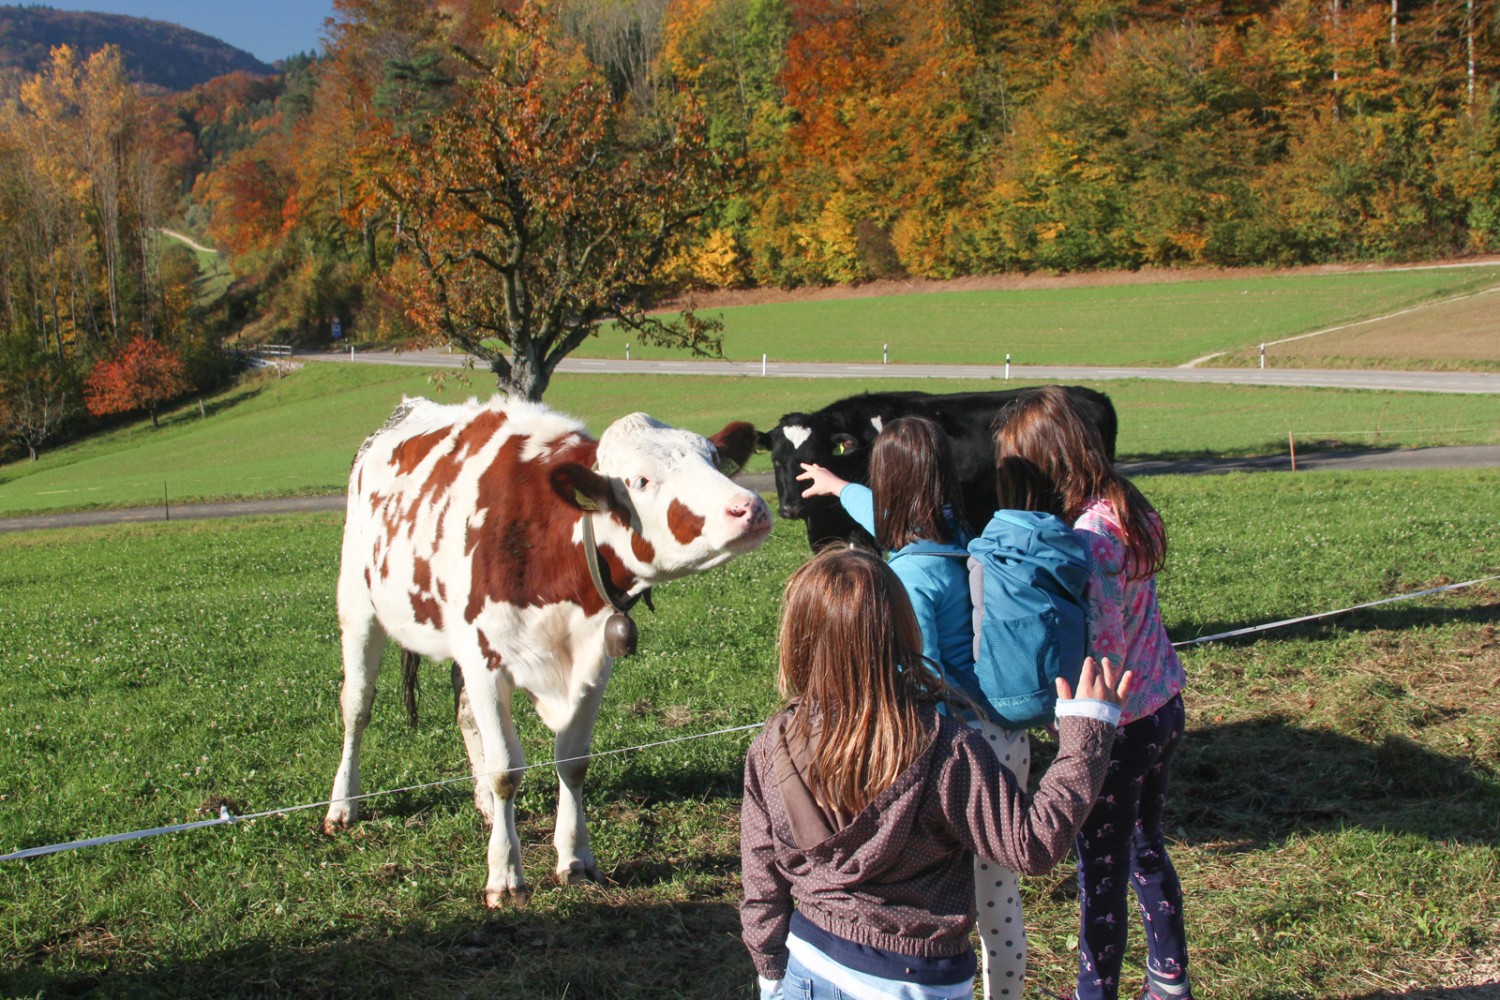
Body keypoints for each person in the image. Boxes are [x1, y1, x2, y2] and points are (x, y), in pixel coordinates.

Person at [740, 547, 1132, 1000]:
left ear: (798, 637)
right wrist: (1087, 733)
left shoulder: (772, 743)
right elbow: (1033, 844)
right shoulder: (947, 748)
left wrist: (770, 971)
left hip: (809, 968)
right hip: (920, 978)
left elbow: (760, 874)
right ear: (901, 627)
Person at [798, 416, 1034, 998]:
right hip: (1007, 742)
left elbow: (920, 679)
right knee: (999, 893)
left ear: (891, 484)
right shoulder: (954, 534)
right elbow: (888, 515)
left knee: (946, 896)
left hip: (956, 753)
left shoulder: (906, 579)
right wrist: (837, 487)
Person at [993, 386, 1192, 1000]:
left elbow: (1102, 656)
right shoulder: (1127, 506)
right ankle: (1169, 979)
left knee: (1100, 877)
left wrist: (1079, 730)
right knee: (1146, 848)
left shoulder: (1086, 543)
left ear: (1048, 467)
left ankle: (1094, 992)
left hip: (1119, 728)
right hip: (1164, 706)